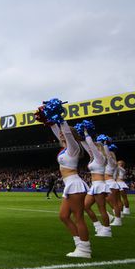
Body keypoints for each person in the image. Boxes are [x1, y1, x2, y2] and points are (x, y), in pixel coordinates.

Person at [36, 102, 91, 258]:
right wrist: (49, 120)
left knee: (78, 217)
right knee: (63, 216)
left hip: (74, 184)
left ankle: (85, 250)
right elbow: (58, 131)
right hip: (69, 185)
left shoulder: (73, 148)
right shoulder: (66, 148)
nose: (60, 134)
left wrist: (60, 117)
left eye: (63, 133)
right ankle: (79, 245)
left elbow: (66, 132)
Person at [80, 127, 112, 238]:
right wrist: (81, 138)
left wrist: (86, 133)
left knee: (102, 208)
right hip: (94, 186)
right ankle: (98, 226)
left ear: (99, 149)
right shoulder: (94, 158)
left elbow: (91, 147)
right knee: (85, 206)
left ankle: (107, 230)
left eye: (95, 147)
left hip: (100, 186)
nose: (92, 149)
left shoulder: (101, 158)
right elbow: (87, 147)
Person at [103, 139, 123, 226]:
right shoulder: (110, 163)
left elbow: (107, 154)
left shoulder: (111, 162)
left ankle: (118, 220)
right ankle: (115, 215)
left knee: (114, 203)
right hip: (109, 183)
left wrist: (105, 144)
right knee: (105, 201)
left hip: (110, 183)